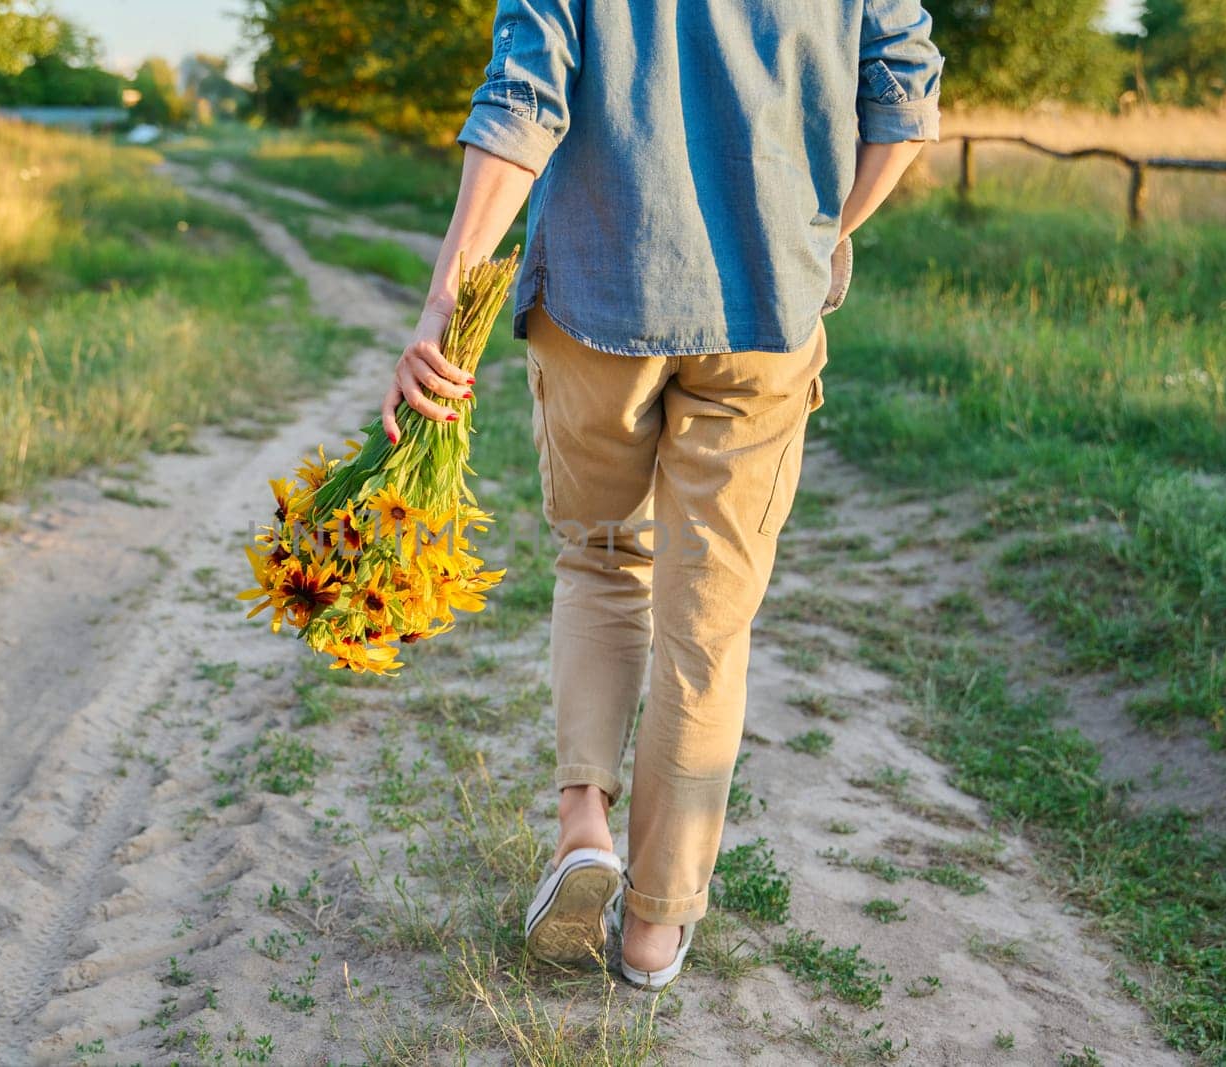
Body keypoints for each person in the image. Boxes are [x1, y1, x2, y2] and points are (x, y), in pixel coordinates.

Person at [380, 1, 943, 989]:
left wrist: (441, 303)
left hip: (595, 297)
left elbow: (523, 101)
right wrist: (813, 234)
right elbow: (902, 102)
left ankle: (582, 822)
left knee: (601, 558)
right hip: (766, 310)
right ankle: (653, 923)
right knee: (707, 623)